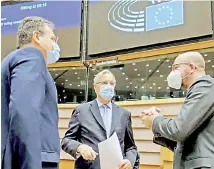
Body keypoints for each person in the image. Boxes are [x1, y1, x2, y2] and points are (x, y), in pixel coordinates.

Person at [141, 51, 214, 169]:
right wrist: (155, 124)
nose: (172, 73)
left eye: (176, 68)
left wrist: (155, 120)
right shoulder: (200, 90)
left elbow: (179, 130)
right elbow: (184, 139)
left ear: (192, 67)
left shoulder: (205, 86)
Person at [1, 16, 61, 169]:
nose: (55, 44)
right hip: (36, 159)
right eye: (52, 39)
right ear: (37, 37)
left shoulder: (13, 59)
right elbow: (24, 113)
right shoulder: (31, 57)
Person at [61, 70, 138, 169]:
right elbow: (66, 141)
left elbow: (131, 146)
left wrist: (130, 161)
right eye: (105, 83)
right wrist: (80, 147)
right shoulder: (81, 111)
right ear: (95, 87)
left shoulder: (124, 114)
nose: (109, 86)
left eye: (112, 83)